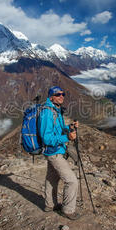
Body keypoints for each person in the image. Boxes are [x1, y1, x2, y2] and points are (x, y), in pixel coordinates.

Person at [38, 86, 81, 220]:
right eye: (58, 94)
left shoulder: (56, 110)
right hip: (53, 152)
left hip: (56, 150)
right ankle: (68, 210)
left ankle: (49, 205)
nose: (61, 96)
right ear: (51, 97)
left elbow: (59, 129)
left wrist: (70, 127)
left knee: (52, 178)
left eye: (63, 94)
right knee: (72, 181)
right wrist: (67, 138)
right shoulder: (47, 113)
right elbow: (46, 137)